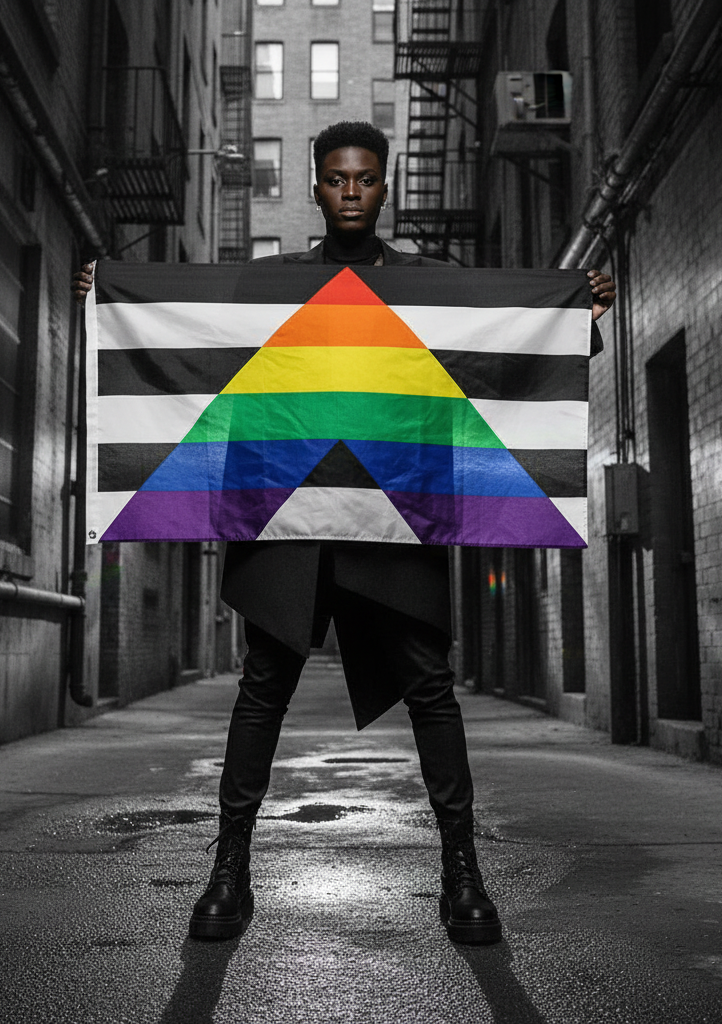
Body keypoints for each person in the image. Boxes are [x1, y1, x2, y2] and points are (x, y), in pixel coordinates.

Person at [73, 121, 616, 946]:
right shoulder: (270, 286)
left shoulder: (433, 284)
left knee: (430, 687)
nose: (351, 190)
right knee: (263, 689)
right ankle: (230, 870)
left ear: (385, 185)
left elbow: (500, 361)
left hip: (391, 523)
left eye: (365, 177)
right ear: (316, 187)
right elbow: (195, 355)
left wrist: (579, 318)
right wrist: (110, 298)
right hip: (289, 523)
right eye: (335, 178)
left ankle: (462, 872)